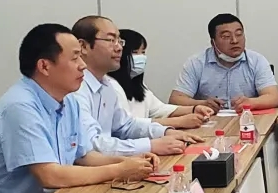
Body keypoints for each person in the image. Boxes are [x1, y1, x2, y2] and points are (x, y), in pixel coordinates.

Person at [0, 24, 155, 193]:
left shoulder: (68, 100)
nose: (83, 65)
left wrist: (130, 161)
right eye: (74, 58)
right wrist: (119, 170)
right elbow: (50, 175)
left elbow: (84, 156)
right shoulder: (19, 107)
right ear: (44, 66)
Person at [72, 16, 202, 157]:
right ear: (83, 46)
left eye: (119, 41)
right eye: (110, 40)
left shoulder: (107, 84)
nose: (119, 48)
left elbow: (126, 126)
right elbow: (91, 145)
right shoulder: (75, 89)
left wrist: (165, 132)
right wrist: (150, 145)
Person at [170, 13, 278, 112]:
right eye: (226, 36)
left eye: (239, 34)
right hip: (209, 121)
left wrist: (251, 102)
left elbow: (274, 98)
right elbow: (176, 100)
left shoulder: (257, 60)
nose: (234, 41)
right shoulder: (196, 63)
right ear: (213, 42)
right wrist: (202, 104)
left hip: (247, 120)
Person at [110, 29, 213, 129]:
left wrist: (194, 109)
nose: (141, 57)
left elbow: (158, 109)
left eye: (143, 52)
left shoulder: (136, 83)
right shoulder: (111, 86)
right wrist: (178, 121)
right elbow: (129, 126)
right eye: (135, 52)